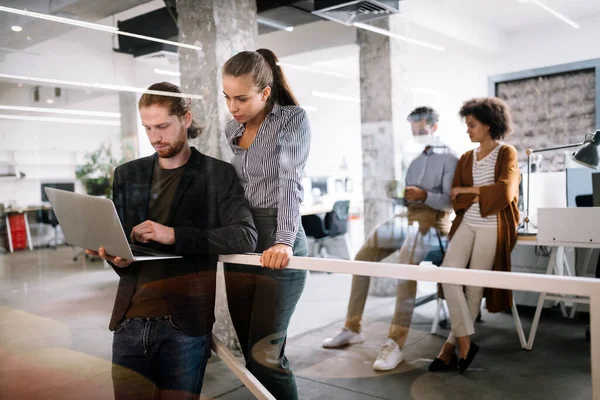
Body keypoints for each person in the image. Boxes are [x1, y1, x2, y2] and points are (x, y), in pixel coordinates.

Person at [87, 82, 258, 400]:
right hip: (128, 322)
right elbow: (126, 252)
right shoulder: (128, 175)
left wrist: (175, 234)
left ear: (186, 119)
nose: (155, 137)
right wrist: (118, 259)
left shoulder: (216, 175)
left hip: (184, 325)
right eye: (148, 128)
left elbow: (245, 235)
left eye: (163, 126)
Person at [322, 107, 459, 371]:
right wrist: (399, 193)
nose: (417, 135)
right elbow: (407, 196)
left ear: (434, 128)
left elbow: (450, 202)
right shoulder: (414, 158)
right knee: (362, 258)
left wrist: (424, 196)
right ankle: (352, 328)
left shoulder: (450, 158)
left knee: (405, 265)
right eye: (413, 131)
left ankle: (395, 342)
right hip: (407, 216)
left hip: (434, 221)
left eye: (421, 130)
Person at [220, 48, 311, 400]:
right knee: (248, 351)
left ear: (265, 93)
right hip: (243, 237)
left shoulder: (292, 119)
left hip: (278, 237)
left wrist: (285, 240)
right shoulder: (234, 128)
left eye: (241, 98)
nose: (233, 106)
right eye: (227, 97)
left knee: (266, 355)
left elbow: (290, 182)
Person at [430, 97, 519, 374]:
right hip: (467, 222)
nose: (468, 130)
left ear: (489, 125)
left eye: (472, 125)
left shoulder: (507, 153)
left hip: (493, 224)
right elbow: (455, 194)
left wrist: (469, 192)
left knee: (474, 286)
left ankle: (449, 348)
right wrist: (473, 192)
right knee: (449, 273)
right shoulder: (467, 157)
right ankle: (465, 340)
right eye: (467, 125)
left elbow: (505, 192)